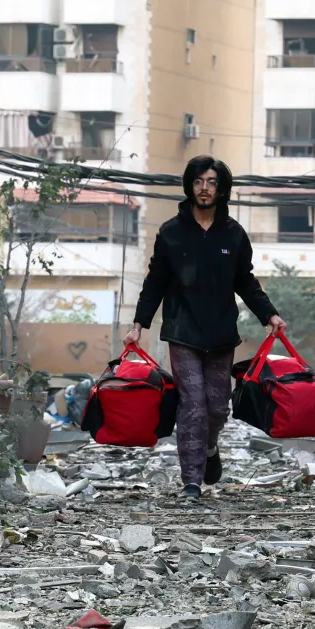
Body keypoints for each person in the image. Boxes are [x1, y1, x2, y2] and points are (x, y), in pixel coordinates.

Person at [125, 156, 286, 499]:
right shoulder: (171, 232)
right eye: (198, 182)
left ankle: (210, 449)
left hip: (221, 333)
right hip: (182, 332)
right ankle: (192, 481)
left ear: (221, 188)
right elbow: (155, 281)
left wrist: (269, 314)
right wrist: (140, 323)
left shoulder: (234, 234)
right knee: (193, 405)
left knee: (216, 407)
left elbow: (246, 281)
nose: (204, 188)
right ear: (190, 186)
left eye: (212, 182)